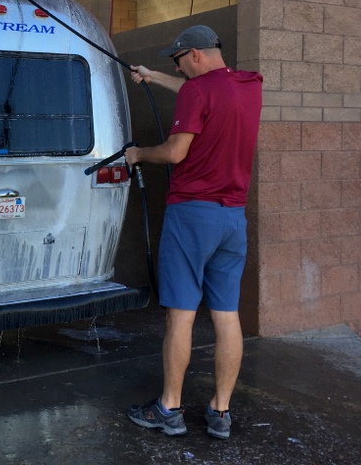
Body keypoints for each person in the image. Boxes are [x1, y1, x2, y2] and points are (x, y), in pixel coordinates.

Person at [124, 25, 263, 440]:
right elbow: (201, 91)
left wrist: (139, 154)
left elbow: (175, 152)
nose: (178, 68)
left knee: (181, 315)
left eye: (178, 60)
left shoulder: (196, 92)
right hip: (232, 218)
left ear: (195, 55)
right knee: (226, 316)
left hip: (192, 216)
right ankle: (221, 411)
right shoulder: (247, 87)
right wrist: (153, 75)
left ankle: (169, 408)